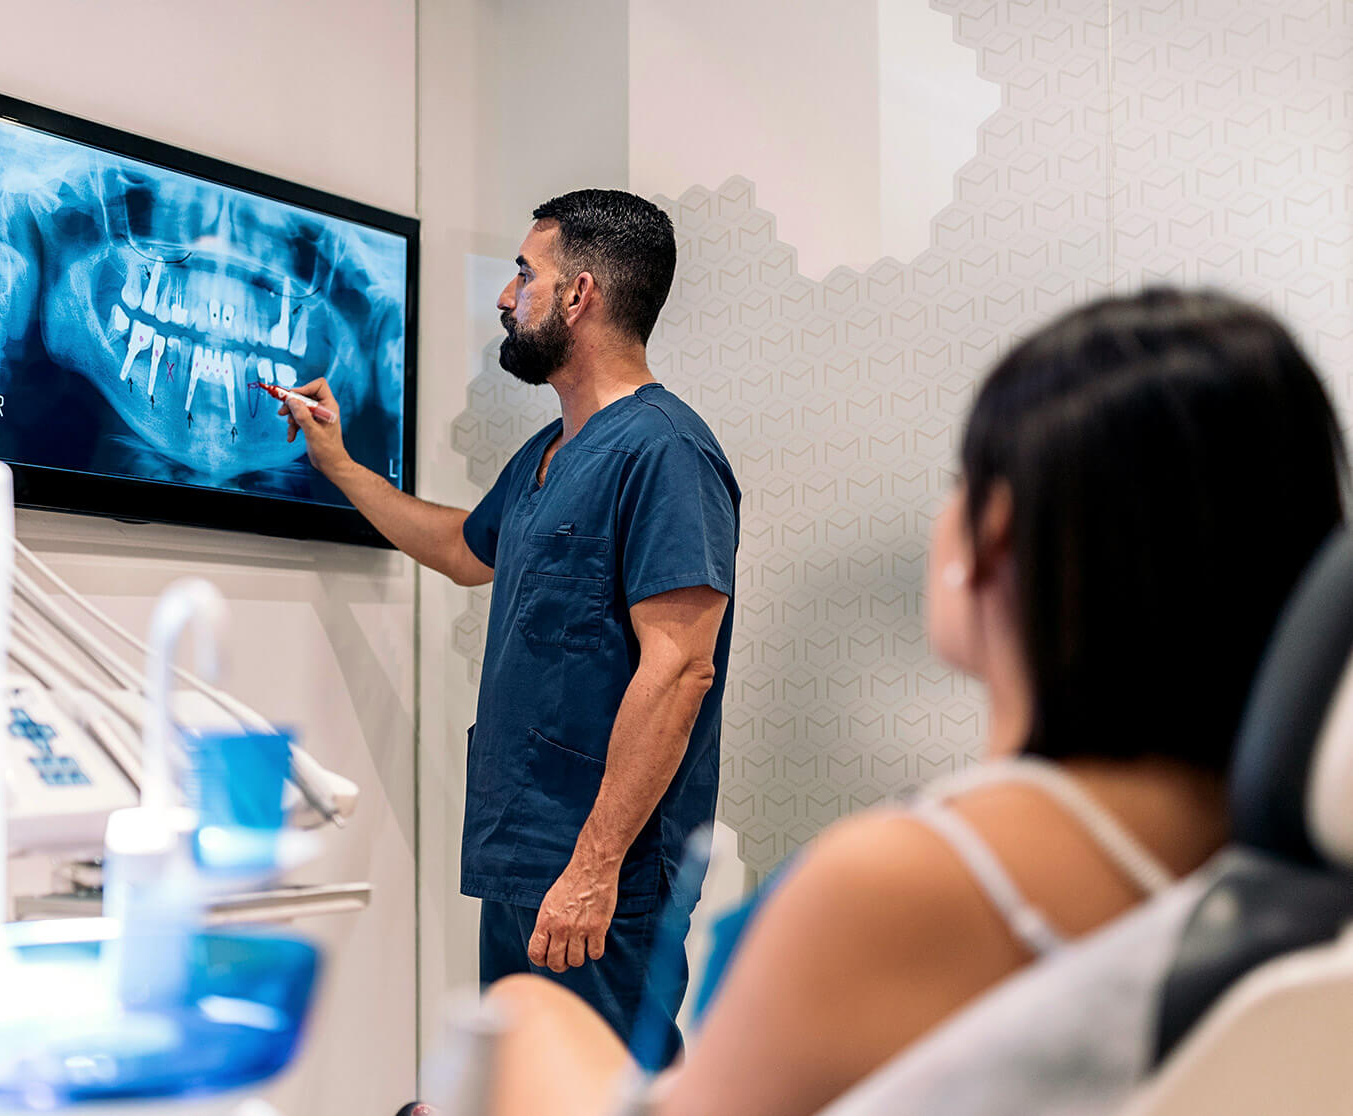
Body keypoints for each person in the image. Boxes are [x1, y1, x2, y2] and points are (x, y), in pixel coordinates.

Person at [477, 288, 1348, 1116]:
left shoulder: (898, 882)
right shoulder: (1283, 882)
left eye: (958, 480)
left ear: (992, 534)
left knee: (522, 1016)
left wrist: (524, 1023)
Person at [276, 189, 741, 1055]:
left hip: (602, 871)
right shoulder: (547, 453)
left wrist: (594, 866)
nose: (503, 295)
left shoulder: (666, 451)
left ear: (579, 294)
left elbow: (681, 668)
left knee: (605, 1093)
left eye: (524, 274)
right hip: (525, 854)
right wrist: (338, 464)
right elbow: (463, 549)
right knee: (523, 1085)